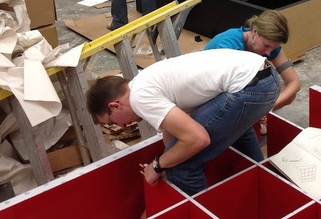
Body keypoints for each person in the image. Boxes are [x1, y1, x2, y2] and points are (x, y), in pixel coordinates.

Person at [86, 49, 280, 196]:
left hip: (250, 88)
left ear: (115, 105)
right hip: (266, 78)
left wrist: (157, 165)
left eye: (111, 122)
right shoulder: (144, 81)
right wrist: (166, 160)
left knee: (182, 166)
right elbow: (173, 138)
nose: (121, 127)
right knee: (233, 127)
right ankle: (268, 191)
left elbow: (197, 139)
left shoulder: (139, 98)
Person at [204, 10, 300, 114]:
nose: (268, 53)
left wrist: (267, 108)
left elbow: (294, 82)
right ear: (254, 31)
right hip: (208, 90)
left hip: (232, 87)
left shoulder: (269, 45)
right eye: (266, 45)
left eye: (273, 48)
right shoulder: (229, 44)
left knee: (289, 95)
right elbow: (223, 87)